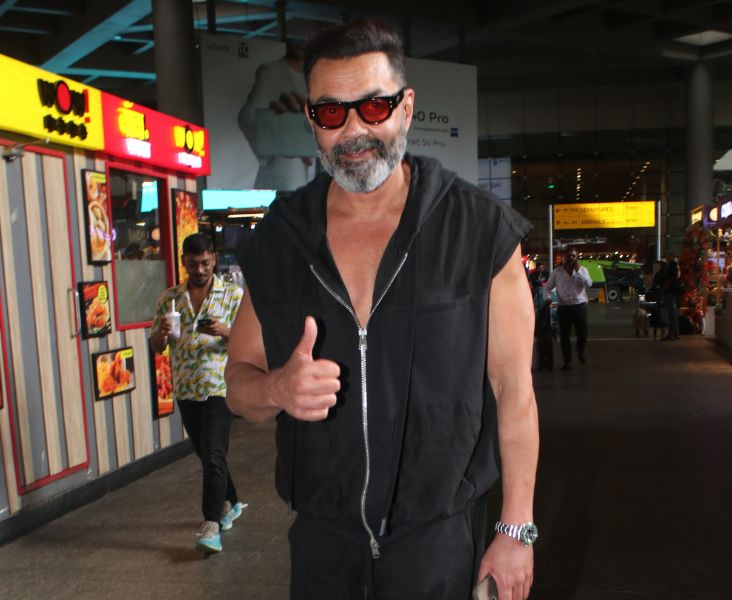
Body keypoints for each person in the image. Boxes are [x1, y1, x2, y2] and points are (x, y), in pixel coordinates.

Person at [226, 20, 540, 600]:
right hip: (323, 545)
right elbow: (237, 384)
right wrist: (276, 389)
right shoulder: (278, 241)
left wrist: (516, 529)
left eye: (374, 107)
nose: (354, 131)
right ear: (311, 121)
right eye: (331, 113)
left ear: (406, 108)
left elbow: (514, 389)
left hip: (439, 543)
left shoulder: (478, 230)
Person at [150, 233, 245, 554]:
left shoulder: (232, 295)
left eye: (205, 263)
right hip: (186, 387)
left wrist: (224, 330)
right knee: (206, 453)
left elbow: (249, 339)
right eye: (193, 264)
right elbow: (156, 346)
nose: (200, 269)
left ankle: (211, 525)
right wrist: (162, 334)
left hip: (219, 386)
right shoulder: (170, 298)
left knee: (213, 453)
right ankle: (231, 502)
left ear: (214, 259)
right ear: (184, 262)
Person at [238, 42, 317, 191]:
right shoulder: (271, 71)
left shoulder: (317, 77)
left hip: (312, 181)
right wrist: (284, 142)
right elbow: (247, 117)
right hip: (281, 181)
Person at [544, 247, 592, 370]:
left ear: (576, 257)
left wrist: (578, 271)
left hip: (580, 306)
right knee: (564, 336)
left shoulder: (582, 270)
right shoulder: (557, 272)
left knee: (582, 333)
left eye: (573, 256)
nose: (571, 258)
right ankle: (567, 362)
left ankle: (580, 351)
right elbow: (547, 287)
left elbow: (589, 284)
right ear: (564, 257)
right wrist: (547, 298)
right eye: (568, 255)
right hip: (564, 307)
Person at [660, 251, 681, 341]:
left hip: (670, 292)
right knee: (673, 313)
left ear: (671, 256)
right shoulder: (675, 266)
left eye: (667, 256)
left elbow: (670, 279)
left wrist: (664, 288)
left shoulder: (672, 266)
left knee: (671, 314)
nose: (666, 258)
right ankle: (675, 333)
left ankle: (672, 333)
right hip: (673, 291)